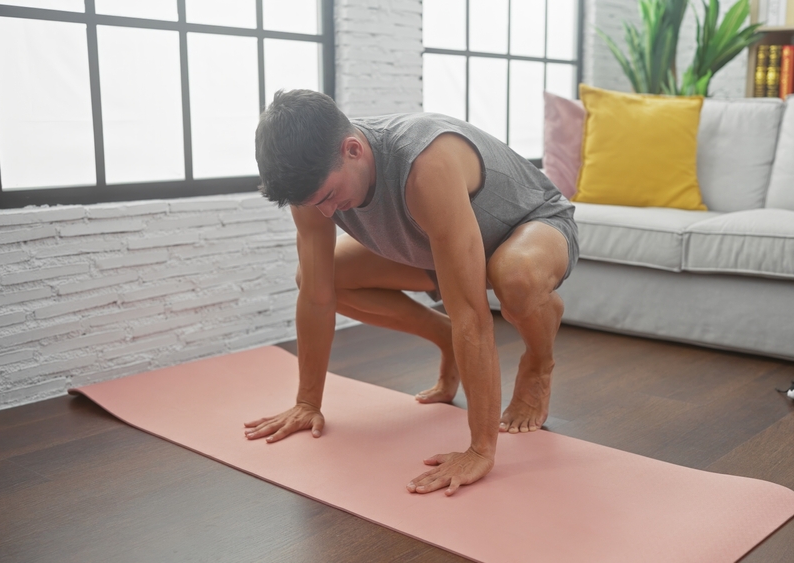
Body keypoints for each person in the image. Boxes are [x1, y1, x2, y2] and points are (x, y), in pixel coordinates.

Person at [243, 89, 579, 496]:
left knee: (516, 279)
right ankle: (443, 341)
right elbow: (315, 296)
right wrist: (307, 403)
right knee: (319, 276)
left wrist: (480, 449)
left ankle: (538, 365)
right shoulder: (313, 191)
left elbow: (471, 316)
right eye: (317, 204)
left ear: (353, 149)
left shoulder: (425, 163)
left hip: (531, 226)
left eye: (330, 196)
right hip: (432, 246)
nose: (328, 213)